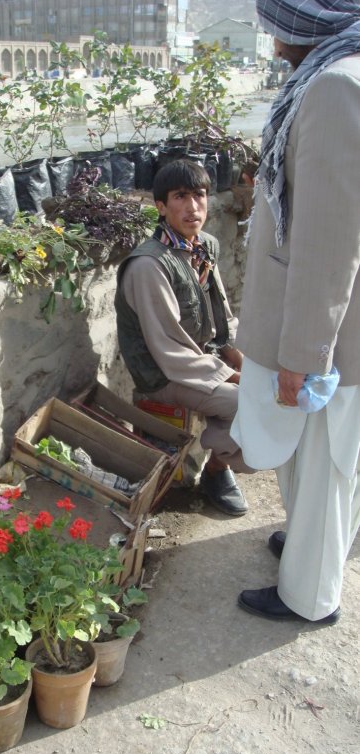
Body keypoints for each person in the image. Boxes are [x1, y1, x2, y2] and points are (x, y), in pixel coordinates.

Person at [232, 0, 360, 624]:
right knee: (323, 465)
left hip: (327, 333)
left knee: (323, 465)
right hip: (335, 322)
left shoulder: (336, 87)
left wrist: (302, 358)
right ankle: (313, 554)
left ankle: (309, 596)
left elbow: (328, 245)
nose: (271, 35)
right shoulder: (334, 73)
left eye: (278, 20)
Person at [115, 159, 253, 516]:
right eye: (180, 197)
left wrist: (235, 354)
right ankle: (217, 465)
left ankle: (214, 466)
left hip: (200, 358)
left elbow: (219, 309)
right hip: (164, 373)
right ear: (161, 206)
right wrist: (234, 376)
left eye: (199, 195)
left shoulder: (203, 245)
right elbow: (170, 350)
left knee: (273, 385)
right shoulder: (149, 265)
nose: (193, 207)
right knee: (249, 404)